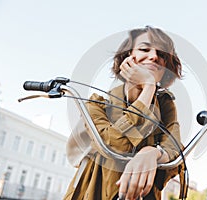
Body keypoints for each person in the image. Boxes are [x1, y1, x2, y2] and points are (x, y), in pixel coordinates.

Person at [64, 26, 185, 200]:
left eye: (162, 55)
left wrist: (152, 152)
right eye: (144, 49)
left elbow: (175, 149)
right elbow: (116, 145)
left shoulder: (166, 105)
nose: (154, 57)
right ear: (127, 57)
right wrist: (148, 86)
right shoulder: (96, 105)